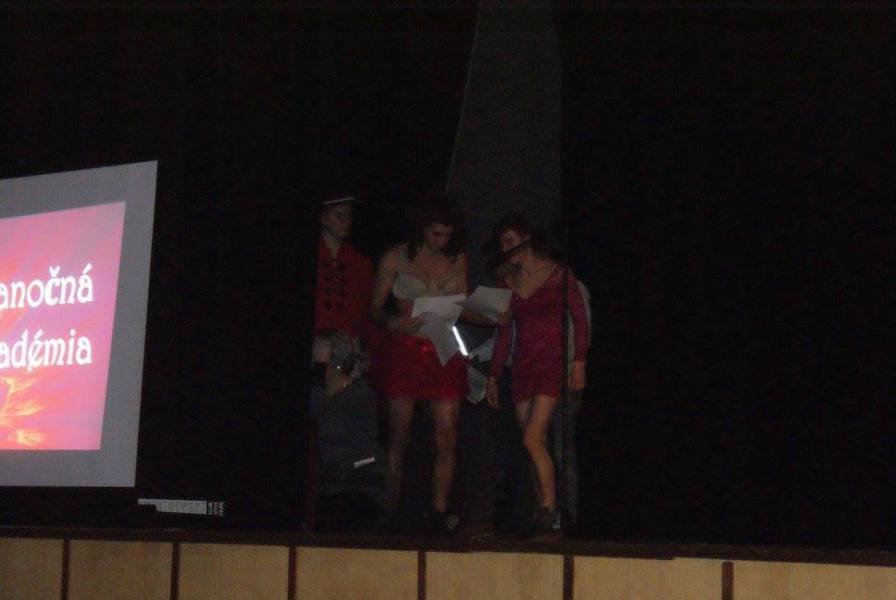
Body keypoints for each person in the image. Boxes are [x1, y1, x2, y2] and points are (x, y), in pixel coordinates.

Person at [369, 193, 490, 533]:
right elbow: (375, 308)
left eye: (447, 235)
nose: (441, 240)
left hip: (443, 349)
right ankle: (390, 509)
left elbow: (462, 306)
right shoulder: (395, 257)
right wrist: (394, 322)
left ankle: (439, 512)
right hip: (407, 349)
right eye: (436, 234)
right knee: (399, 435)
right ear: (422, 227)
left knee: (447, 435)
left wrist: (491, 315)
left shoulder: (457, 258)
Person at [485, 213, 590, 535]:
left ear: (526, 240)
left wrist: (579, 361)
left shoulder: (558, 274)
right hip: (523, 366)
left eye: (511, 241)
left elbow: (580, 319)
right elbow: (505, 332)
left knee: (532, 437)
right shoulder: (508, 283)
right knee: (534, 443)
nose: (506, 249)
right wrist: (493, 374)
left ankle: (550, 508)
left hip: (550, 363)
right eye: (502, 244)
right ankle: (542, 510)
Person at [309, 329, 386, 533]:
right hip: (330, 486)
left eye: (319, 360)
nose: (315, 364)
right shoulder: (317, 395)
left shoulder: (359, 395)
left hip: (359, 486)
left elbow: (357, 449)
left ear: (337, 363)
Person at [314, 195, 375, 342]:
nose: (345, 221)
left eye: (349, 215)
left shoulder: (360, 262)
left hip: (347, 338)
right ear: (323, 218)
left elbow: (365, 305)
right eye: (339, 215)